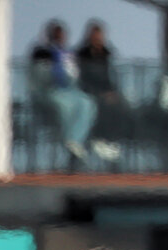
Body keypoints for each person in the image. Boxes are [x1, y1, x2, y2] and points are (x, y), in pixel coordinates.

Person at [31, 20, 98, 166]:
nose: (60, 38)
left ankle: (76, 141)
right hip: (50, 91)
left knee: (87, 103)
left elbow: (74, 74)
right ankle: (68, 140)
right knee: (64, 107)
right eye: (57, 35)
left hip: (70, 90)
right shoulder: (41, 52)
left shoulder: (67, 54)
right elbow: (40, 77)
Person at [74, 21, 125, 161]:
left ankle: (113, 141)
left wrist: (112, 91)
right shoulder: (82, 54)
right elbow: (81, 78)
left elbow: (112, 75)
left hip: (107, 91)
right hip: (89, 92)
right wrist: (99, 92)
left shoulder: (107, 53)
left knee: (121, 106)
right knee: (101, 106)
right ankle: (99, 138)